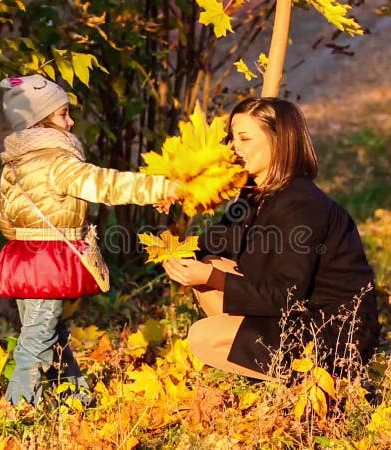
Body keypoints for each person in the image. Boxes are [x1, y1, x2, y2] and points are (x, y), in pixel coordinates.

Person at [162, 97, 379, 381]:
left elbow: (285, 295)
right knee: (209, 264)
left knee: (203, 336)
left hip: (332, 332)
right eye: (232, 138)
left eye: (244, 138)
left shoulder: (302, 205)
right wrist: (183, 206)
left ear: (279, 141)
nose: (233, 147)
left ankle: (316, 379)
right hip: (293, 315)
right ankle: (259, 365)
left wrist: (211, 276)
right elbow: (212, 243)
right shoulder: (254, 195)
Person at [0, 75, 178, 405]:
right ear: (41, 121)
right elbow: (105, 184)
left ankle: (77, 400)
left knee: (50, 334)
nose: (70, 121)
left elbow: (5, 218)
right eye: (63, 114)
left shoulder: (15, 164)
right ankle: (17, 412)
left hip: (21, 256)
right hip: (47, 260)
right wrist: (162, 188)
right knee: (36, 340)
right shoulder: (57, 162)